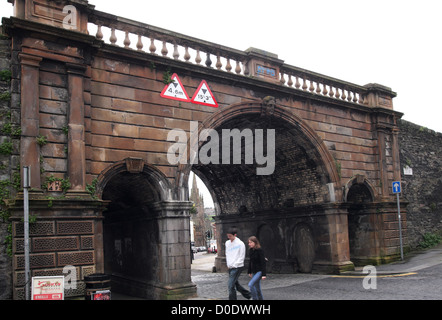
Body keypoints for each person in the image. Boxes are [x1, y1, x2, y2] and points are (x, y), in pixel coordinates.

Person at [225, 228, 251, 300]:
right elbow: (227, 254)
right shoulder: (227, 243)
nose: (229, 237)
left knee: (230, 285)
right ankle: (249, 295)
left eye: (230, 236)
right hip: (230, 266)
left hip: (237, 266)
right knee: (235, 283)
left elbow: (241, 256)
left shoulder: (240, 244)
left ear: (235, 235)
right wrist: (228, 264)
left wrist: (235, 264)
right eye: (228, 236)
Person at [247, 236, 266, 300]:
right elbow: (250, 261)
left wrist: (264, 274)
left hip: (259, 271)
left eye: (251, 242)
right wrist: (249, 271)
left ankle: (254, 298)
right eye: (249, 243)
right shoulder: (251, 250)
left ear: (255, 242)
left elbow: (263, 262)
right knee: (257, 289)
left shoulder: (260, 250)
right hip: (254, 271)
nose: (249, 244)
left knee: (250, 284)